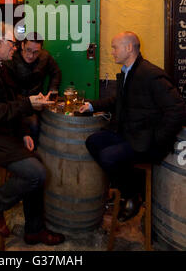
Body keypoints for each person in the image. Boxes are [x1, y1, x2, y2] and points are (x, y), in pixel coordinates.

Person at [0, 23, 65, 246]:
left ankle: (34, 230)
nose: (15, 49)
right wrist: (28, 104)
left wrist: (23, 131)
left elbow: (11, 101)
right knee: (36, 173)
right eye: (13, 44)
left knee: (36, 162)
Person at [79, 31, 186, 222]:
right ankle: (128, 188)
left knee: (108, 156)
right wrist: (92, 105)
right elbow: (117, 100)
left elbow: (177, 109)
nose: (112, 52)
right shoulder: (128, 71)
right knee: (93, 141)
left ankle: (132, 195)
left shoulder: (151, 75)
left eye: (114, 47)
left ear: (129, 48)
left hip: (147, 142)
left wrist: (158, 139)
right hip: (130, 134)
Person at [5, 32, 61, 145]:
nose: (31, 55)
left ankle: (32, 153)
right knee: (29, 124)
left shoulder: (45, 56)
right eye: (28, 50)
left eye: (36, 52)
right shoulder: (12, 58)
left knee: (38, 124)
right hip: (15, 102)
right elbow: (6, 88)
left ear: (41, 50)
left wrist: (52, 92)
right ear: (22, 45)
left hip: (37, 103)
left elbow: (56, 72)